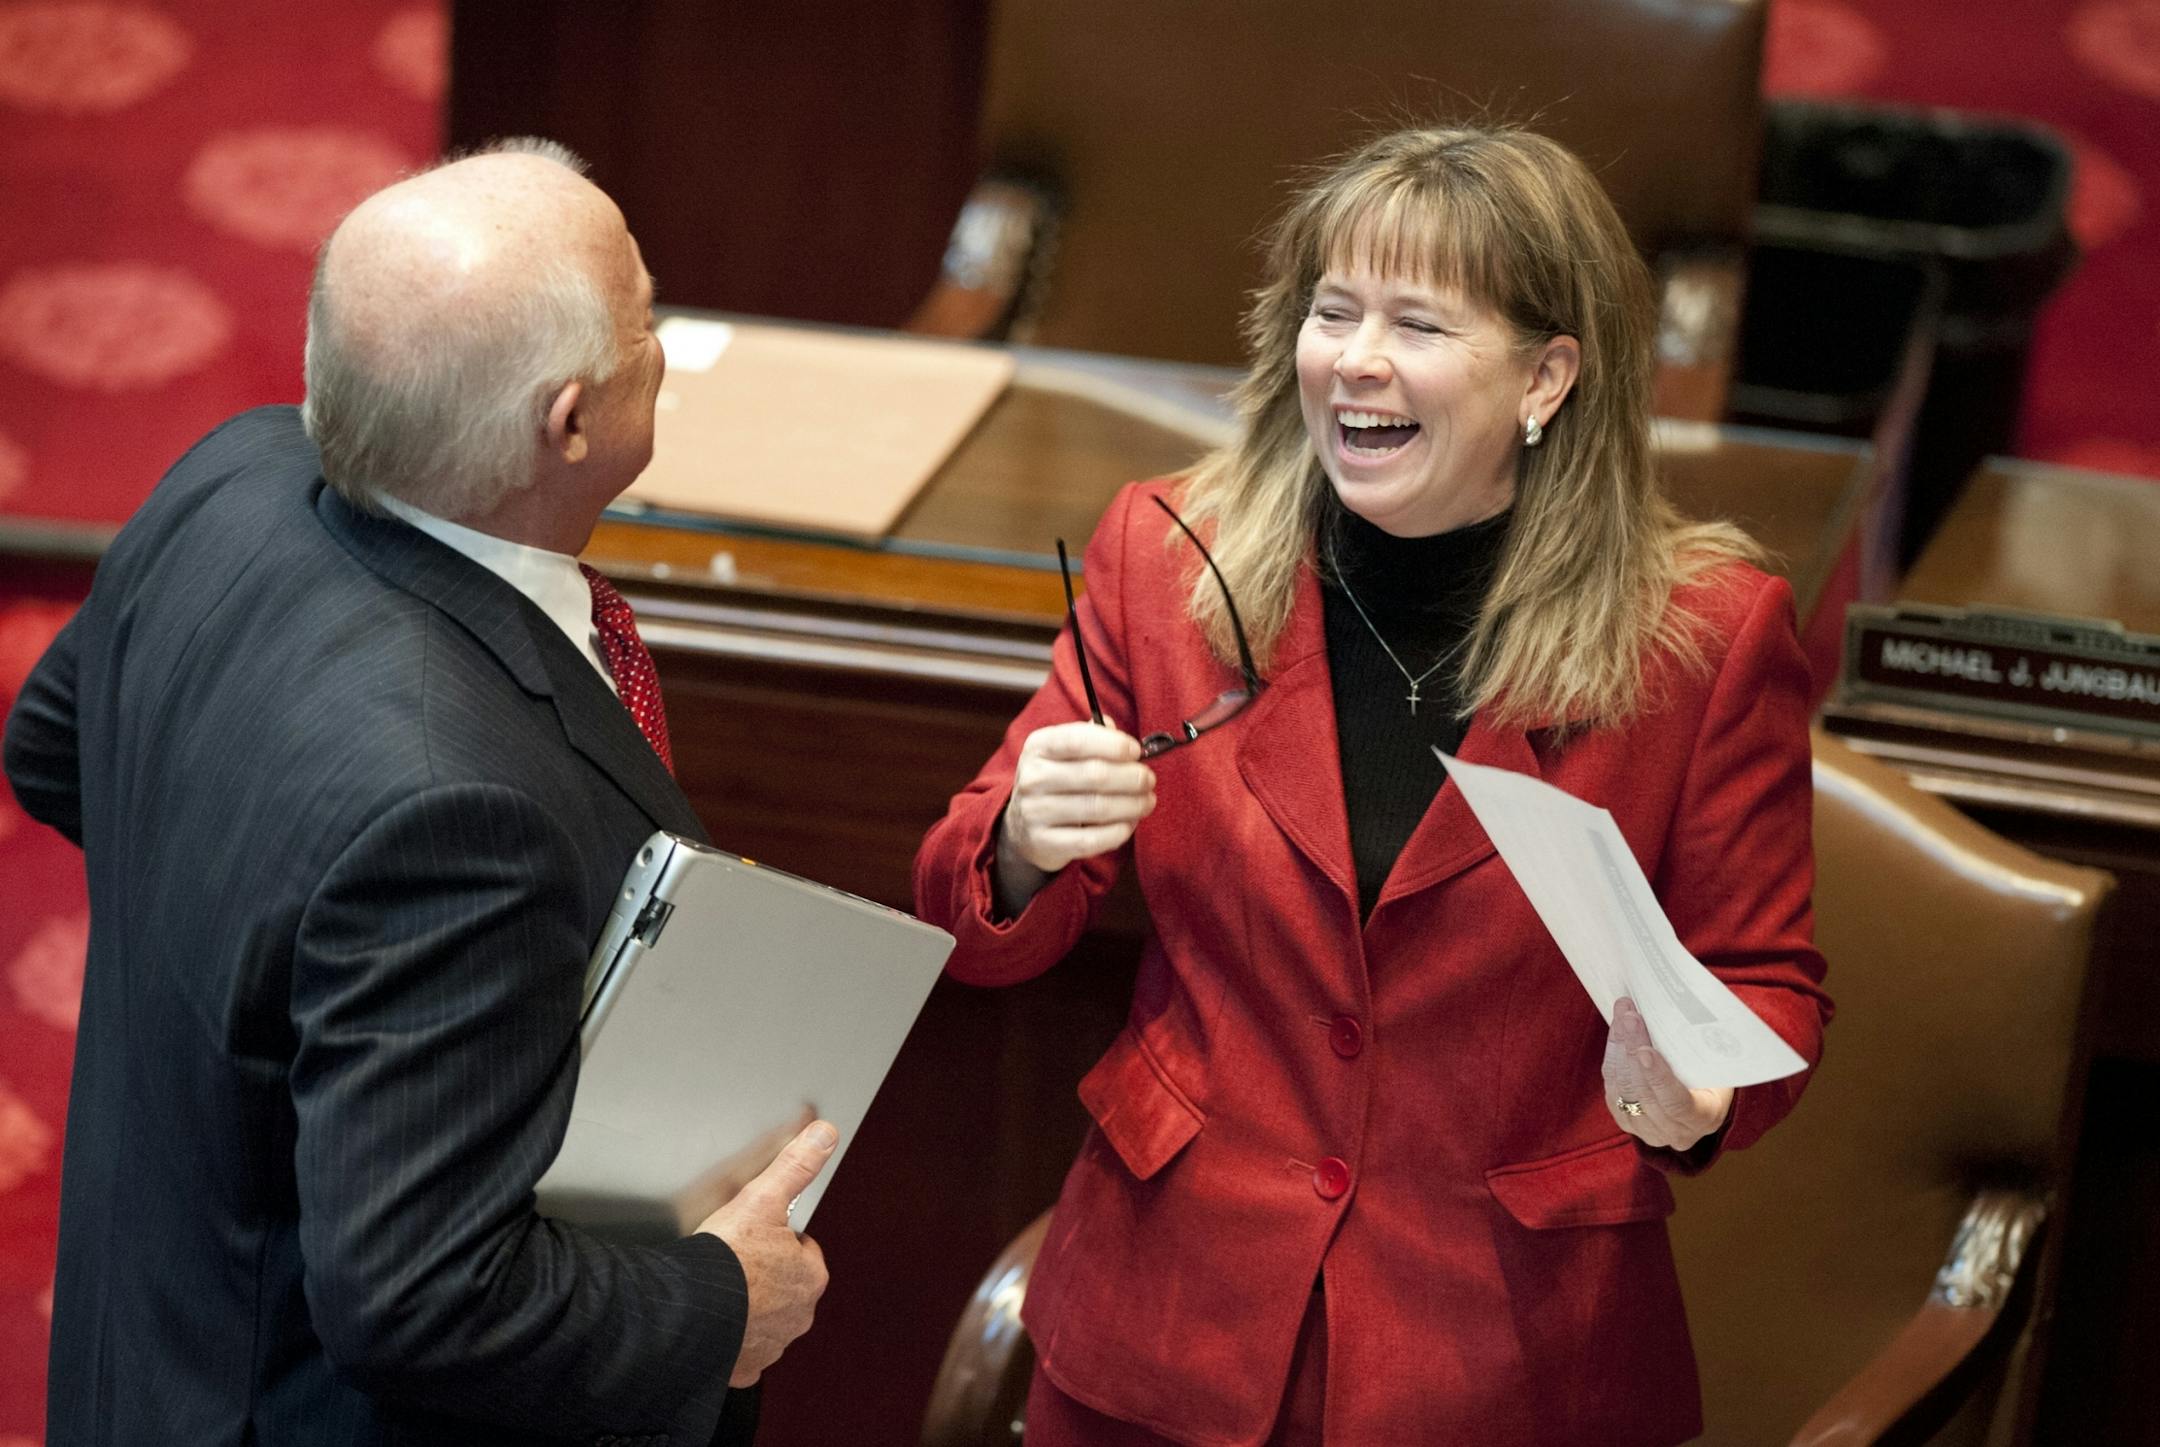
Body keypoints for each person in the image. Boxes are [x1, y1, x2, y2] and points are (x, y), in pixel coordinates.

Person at [913, 124, 1833, 1447]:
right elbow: (966, 922)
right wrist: (1020, 849)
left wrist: (1701, 1092)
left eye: (1417, 322)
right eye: (1332, 311)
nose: (1355, 358)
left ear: (1547, 375)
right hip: (1166, 1323)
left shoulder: (1702, 633)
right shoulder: (1170, 561)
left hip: (1503, 1356)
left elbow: (1770, 990)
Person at [3, 140, 833, 1446]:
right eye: (645, 320)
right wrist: (722, 1303)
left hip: (151, 1324)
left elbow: (54, 750)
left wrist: (266, 998)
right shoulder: (461, 818)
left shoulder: (226, 475)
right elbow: (421, 1300)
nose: (661, 341)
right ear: (568, 423)